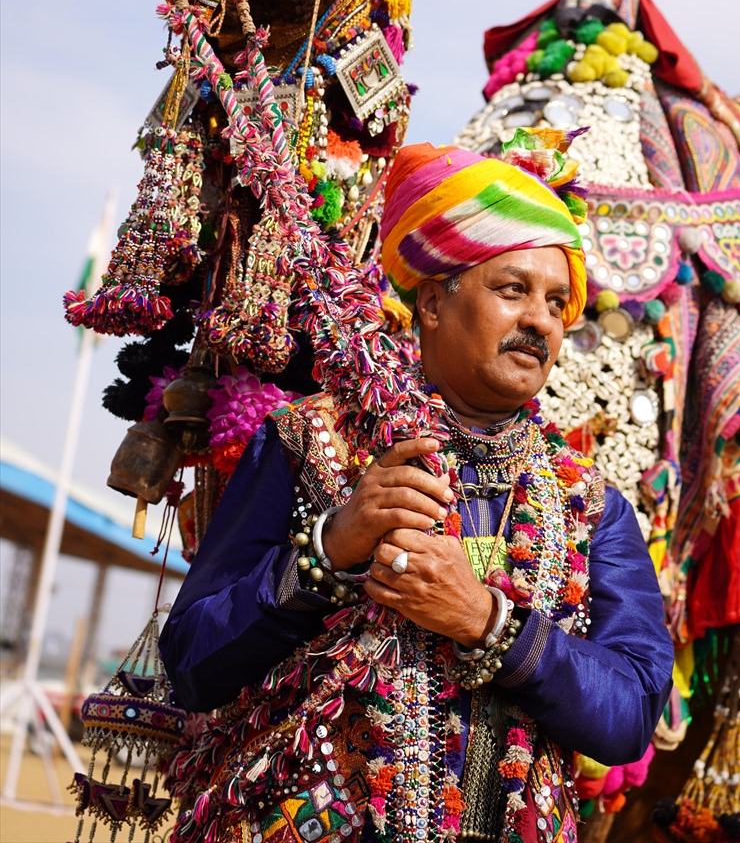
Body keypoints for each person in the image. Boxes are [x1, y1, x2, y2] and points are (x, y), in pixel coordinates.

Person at [161, 134, 673, 843]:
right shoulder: (311, 443)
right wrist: (329, 550)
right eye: (513, 290)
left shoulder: (592, 504)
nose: (540, 321)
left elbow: (633, 714)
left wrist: (488, 624)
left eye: (557, 303)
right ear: (433, 302)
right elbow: (190, 662)